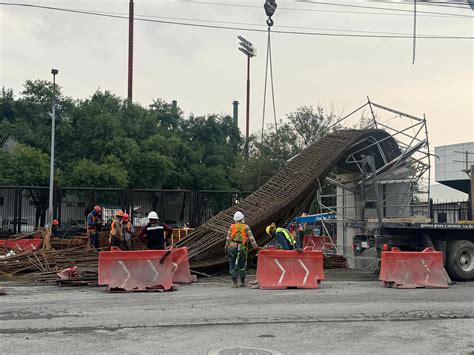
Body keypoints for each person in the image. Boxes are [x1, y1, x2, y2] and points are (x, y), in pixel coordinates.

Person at [225, 211, 258, 288]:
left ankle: (235, 283)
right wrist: (256, 247)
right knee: (242, 264)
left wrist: (226, 247)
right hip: (241, 248)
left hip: (232, 247)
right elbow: (251, 238)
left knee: (232, 264)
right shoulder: (246, 227)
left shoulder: (231, 227)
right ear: (242, 218)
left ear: (235, 219)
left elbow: (228, 238)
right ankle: (242, 282)